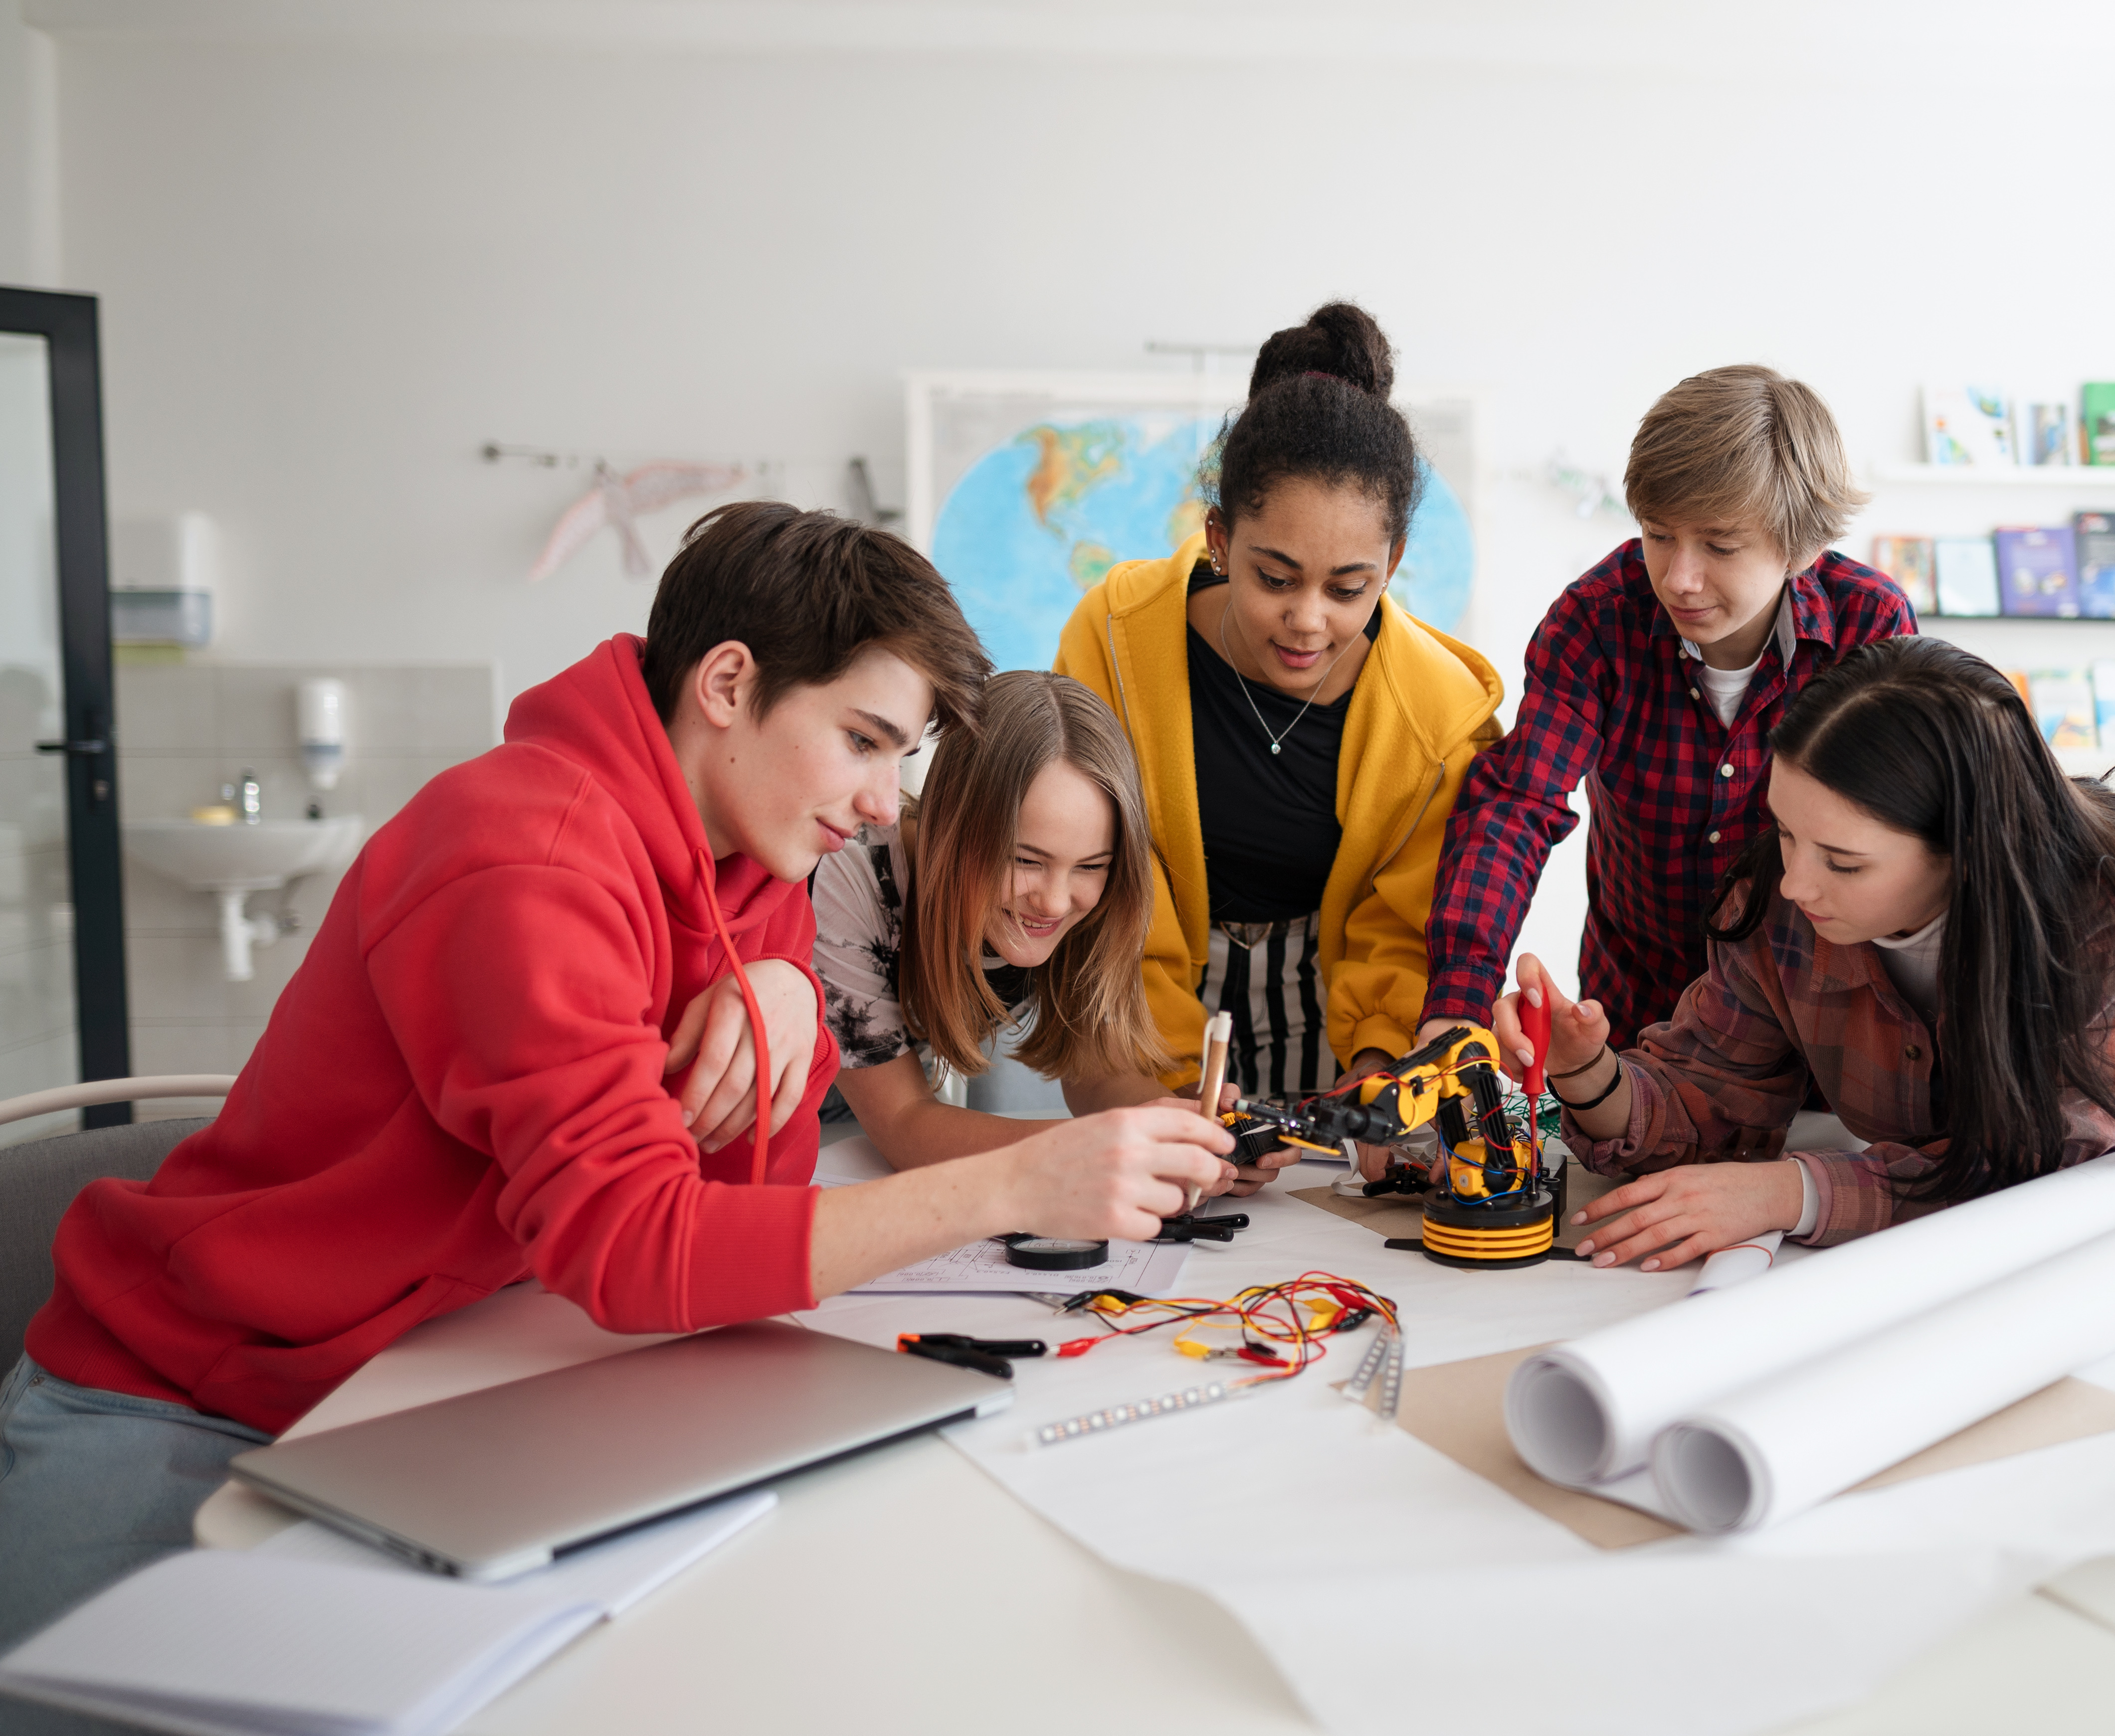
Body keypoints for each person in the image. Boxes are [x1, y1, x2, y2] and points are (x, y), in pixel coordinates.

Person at [0, 504, 1232, 1646]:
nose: (873, 802)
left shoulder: (756, 860)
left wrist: (787, 988)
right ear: (730, 684)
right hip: (181, 1400)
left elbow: (758, 1187)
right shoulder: (524, 857)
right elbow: (637, 1248)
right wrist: (1011, 1186)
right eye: (862, 740)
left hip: (425, 1386)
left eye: (894, 757)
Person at [1493, 636, 2115, 1274]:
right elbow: (1711, 1105)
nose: (1798, 883)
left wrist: (1798, 1190)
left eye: (1843, 862)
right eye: (1782, 831)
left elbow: (2064, 1184)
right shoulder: (1780, 899)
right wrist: (1586, 1072)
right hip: (1959, 1268)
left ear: (1968, 848)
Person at [1055, 302, 1502, 1186]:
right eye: (1273, 577)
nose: (1308, 621)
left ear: (1395, 561)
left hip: (1333, 1034)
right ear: (1219, 539)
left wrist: (1376, 1080)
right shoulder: (1113, 639)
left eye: (1348, 588)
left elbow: (1399, 934)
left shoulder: (1439, 715)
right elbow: (1099, 893)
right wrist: (1160, 1088)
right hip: (1137, 1016)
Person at [1417, 364, 1918, 1061]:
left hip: (1818, 1031)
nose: (1678, 577)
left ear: (1801, 546)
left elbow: (1902, 839)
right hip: (1637, 1024)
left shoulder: (1869, 620)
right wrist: (1458, 1003)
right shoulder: (1596, 620)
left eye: (1719, 545)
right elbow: (1517, 804)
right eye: (1657, 534)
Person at [815, 668, 1177, 1167]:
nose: (1053, 902)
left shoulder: (1092, 905)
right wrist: (1106, 1145)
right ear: (952, 826)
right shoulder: (848, 875)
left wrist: (1180, 1128)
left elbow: (1098, 1072)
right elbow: (904, 1124)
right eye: (1024, 860)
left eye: (1091, 865)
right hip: (792, 1136)